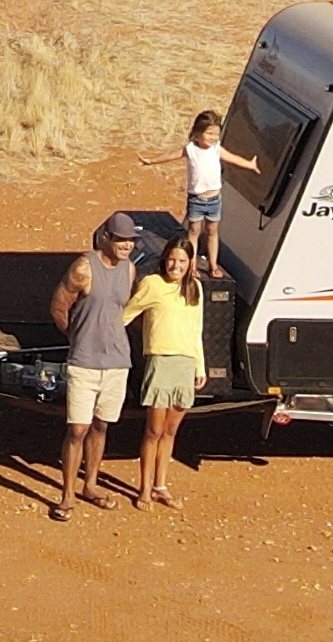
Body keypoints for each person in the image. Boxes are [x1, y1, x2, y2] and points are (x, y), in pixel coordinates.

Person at [48, 212, 139, 522]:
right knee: (77, 429)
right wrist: (76, 337)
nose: (127, 245)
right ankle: (67, 494)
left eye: (131, 240)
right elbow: (59, 305)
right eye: (121, 239)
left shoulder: (130, 270)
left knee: (101, 425)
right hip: (85, 363)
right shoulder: (84, 268)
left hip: (117, 361)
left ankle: (90, 485)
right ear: (106, 238)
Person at [123, 235, 204, 507]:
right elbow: (126, 314)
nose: (176, 266)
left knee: (170, 431)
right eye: (172, 259)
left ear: (190, 263)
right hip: (160, 363)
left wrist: (200, 366)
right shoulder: (152, 284)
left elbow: (196, 330)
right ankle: (145, 489)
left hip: (185, 365)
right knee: (154, 430)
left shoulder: (195, 289)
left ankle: (160, 485)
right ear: (164, 260)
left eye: (182, 261)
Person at [140, 110, 257, 283]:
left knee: (212, 231)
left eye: (216, 134)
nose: (213, 138)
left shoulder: (216, 149)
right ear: (197, 133)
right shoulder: (191, 150)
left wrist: (249, 164)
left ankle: (213, 265)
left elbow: (232, 158)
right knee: (194, 231)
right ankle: (192, 265)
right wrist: (151, 161)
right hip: (197, 200)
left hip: (215, 199)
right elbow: (171, 155)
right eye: (209, 133)